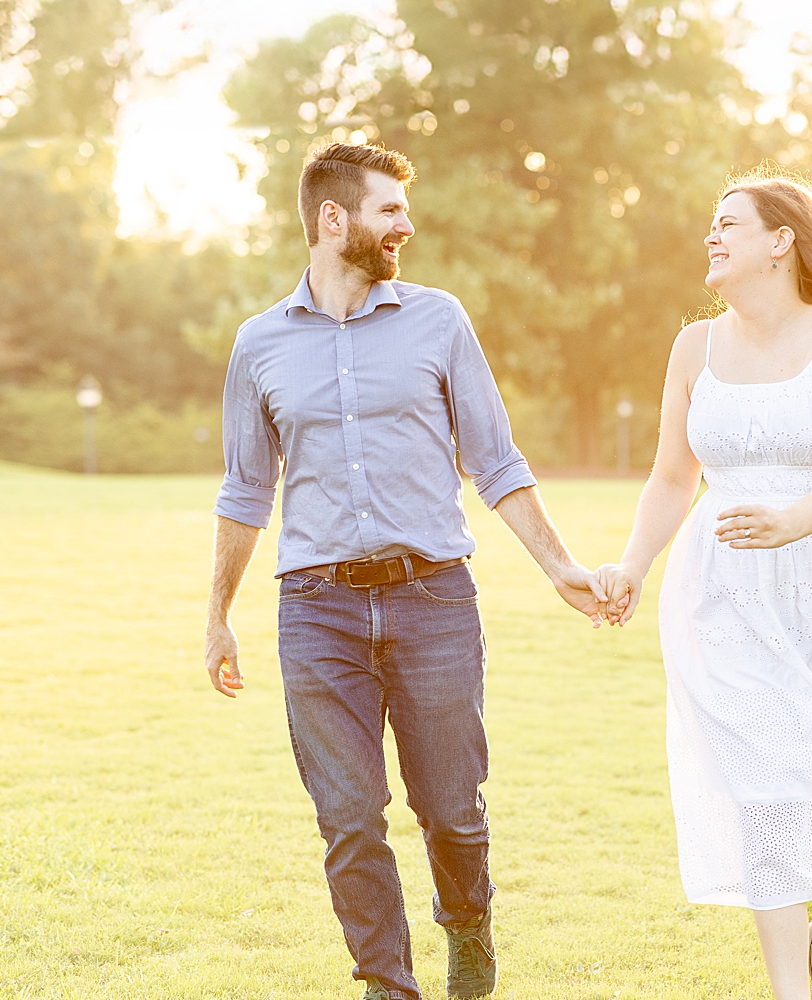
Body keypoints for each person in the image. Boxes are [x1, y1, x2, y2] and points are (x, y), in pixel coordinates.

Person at [203, 142, 609, 1000]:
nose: (405, 225)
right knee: (349, 821)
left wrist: (560, 567)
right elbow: (246, 488)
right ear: (333, 219)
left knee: (452, 811)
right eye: (388, 209)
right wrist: (217, 615)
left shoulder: (439, 320)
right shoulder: (259, 345)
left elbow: (495, 459)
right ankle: (387, 987)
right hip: (316, 610)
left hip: (435, 602)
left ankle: (468, 930)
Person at [597, 169, 812, 999]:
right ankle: (788, 991)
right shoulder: (693, 347)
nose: (712, 234)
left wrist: (791, 522)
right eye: (711, 223)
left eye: (729, 222)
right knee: (771, 782)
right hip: (726, 588)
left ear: (781, 240)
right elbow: (672, 477)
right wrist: (631, 565)